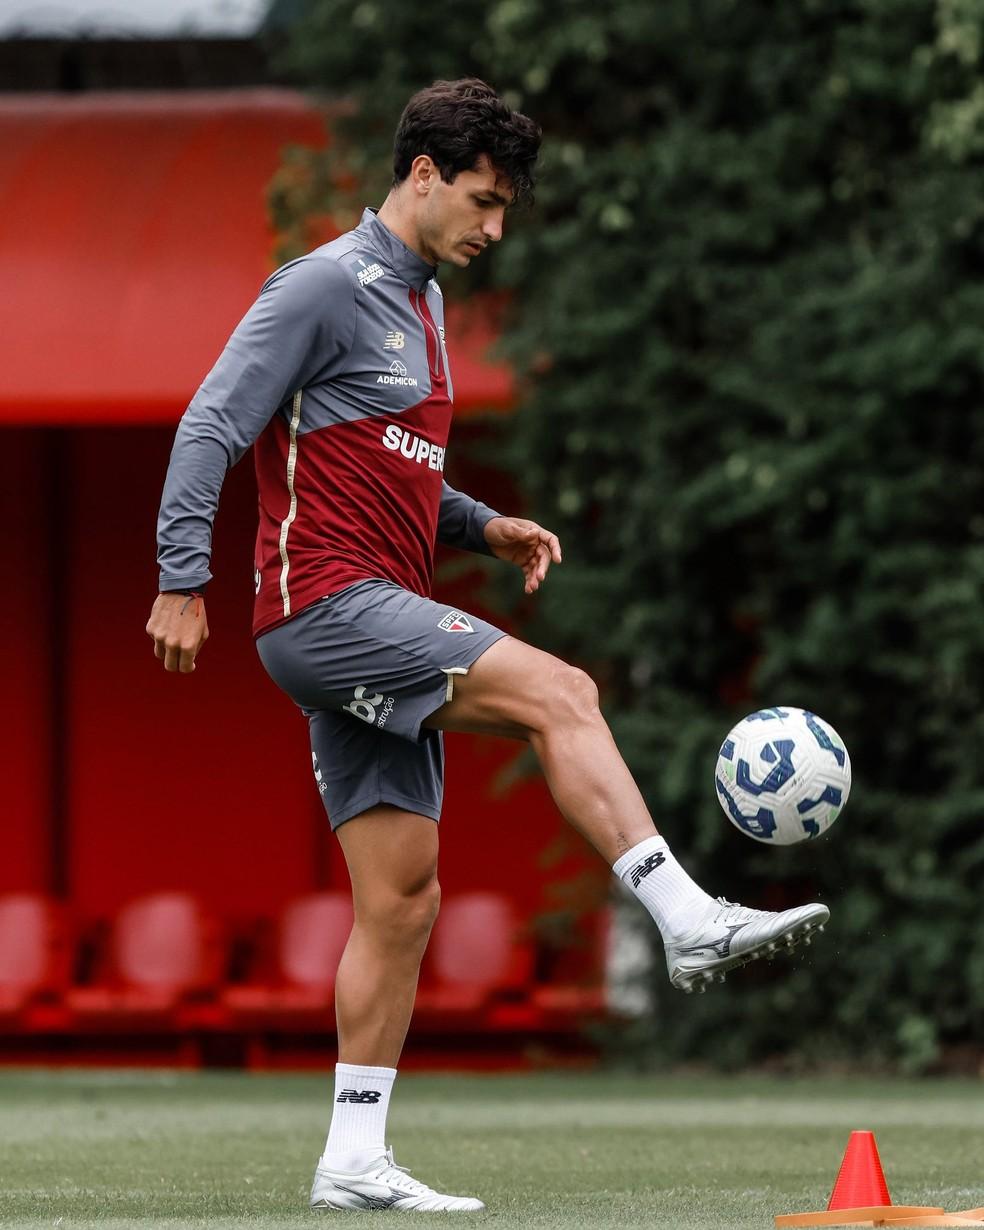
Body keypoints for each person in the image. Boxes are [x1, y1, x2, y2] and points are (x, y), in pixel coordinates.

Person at [147, 78, 829, 1214]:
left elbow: (390, 468)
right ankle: (685, 917)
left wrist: (478, 523)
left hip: (374, 605)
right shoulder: (320, 285)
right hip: (325, 606)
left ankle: (352, 1158)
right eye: (483, 200)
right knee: (561, 690)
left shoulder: (421, 303)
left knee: (402, 900)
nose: (495, 227)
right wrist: (181, 576)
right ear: (422, 175)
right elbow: (212, 421)